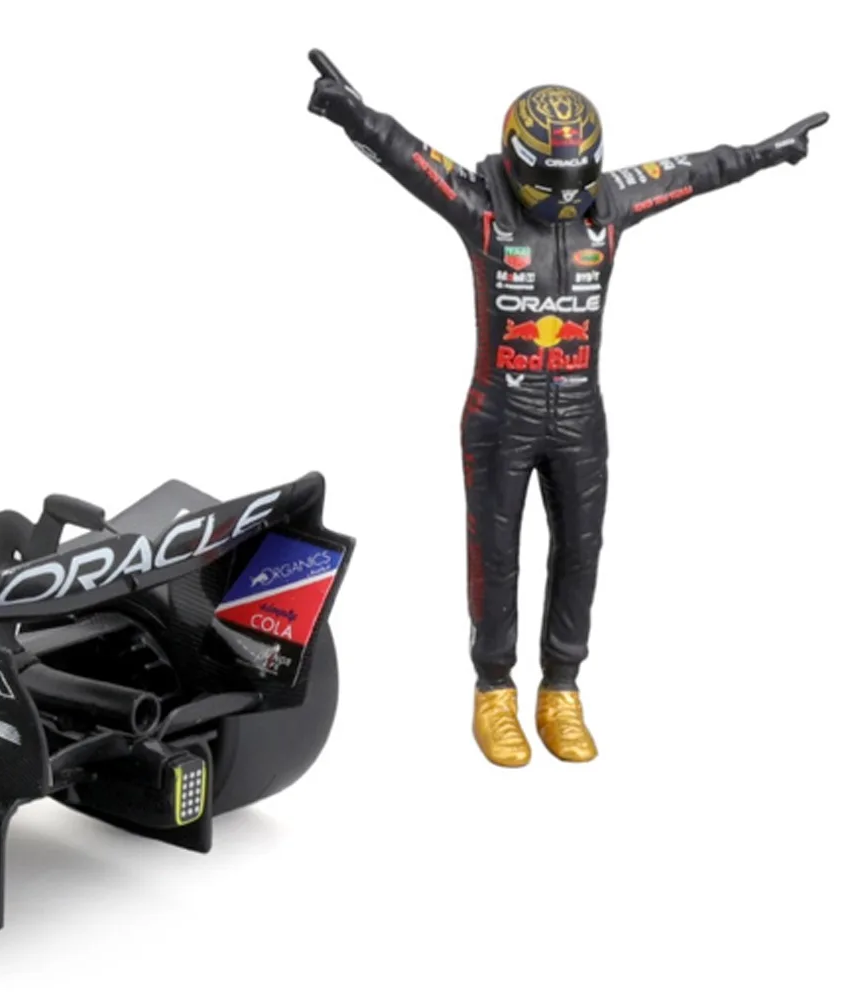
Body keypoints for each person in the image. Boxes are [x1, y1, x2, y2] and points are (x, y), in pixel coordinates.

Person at [307, 50, 828, 766]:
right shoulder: (481, 206)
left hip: (582, 413)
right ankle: (494, 692)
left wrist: (767, 154)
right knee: (494, 557)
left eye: (575, 179)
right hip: (500, 412)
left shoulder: (611, 205)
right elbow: (410, 157)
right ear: (516, 162)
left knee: (582, 551)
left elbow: (695, 170)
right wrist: (351, 113)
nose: (564, 194)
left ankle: (562, 691)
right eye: (549, 179)